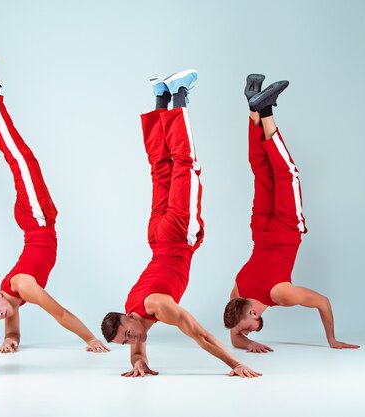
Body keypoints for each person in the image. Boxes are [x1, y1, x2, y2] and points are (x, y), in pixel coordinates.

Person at [101, 70, 261, 378]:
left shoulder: (160, 305)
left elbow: (199, 335)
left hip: (175, 235)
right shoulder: (133, 309)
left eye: (128, 335)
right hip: (156, 237)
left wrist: (236, 364)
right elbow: (138, 342)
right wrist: (138, 362)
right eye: (127, 342)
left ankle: (180, 95)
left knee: (186, 166)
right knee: (161, 171)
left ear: (129, 318)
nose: (134, 342)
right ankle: (160, 96)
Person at [0, 55, 109, 354]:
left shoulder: (21, 286)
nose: (0, 314)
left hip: (37, 219)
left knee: (21, 159)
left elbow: (58, 313)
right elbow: (14, 332)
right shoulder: (13, 299)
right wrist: (9, 341)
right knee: (19, 159)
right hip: (37, 220)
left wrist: (90, 338)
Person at [223, 74, 360, 353]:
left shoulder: (280, 296)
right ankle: (254, 107)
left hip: (285, 230)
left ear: (252, 315)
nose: (246, 334)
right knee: (262, 171)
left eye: (246, 329)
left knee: (287, 174)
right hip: (260, 230)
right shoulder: (237, 293)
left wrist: (331, 340)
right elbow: (235, 337)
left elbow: (323, 302)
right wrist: (247, 343)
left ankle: (267, 110)